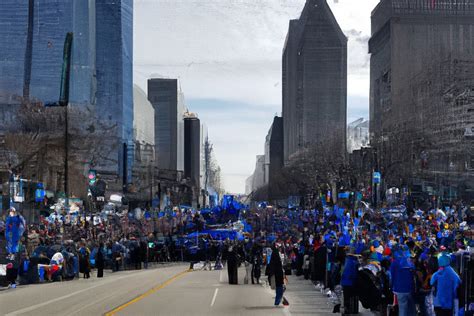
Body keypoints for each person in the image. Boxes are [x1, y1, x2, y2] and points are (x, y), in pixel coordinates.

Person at [390, 247, 416, 316]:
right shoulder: (410, 262)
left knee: (402, 309)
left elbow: (392, 277)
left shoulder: (394, 263)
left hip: (399, 289)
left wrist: (391, 287)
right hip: (410, 289)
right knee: (411, 310)